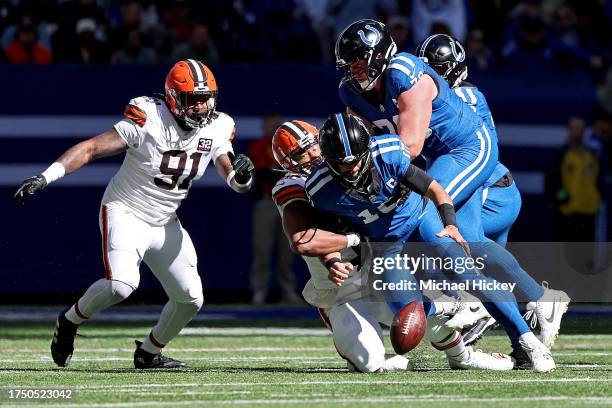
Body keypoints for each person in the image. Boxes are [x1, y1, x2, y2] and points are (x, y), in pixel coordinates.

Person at [14, 59, 254, 369]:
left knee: (191, 299)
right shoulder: (149, 117)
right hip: (126, 210)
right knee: (121, 284)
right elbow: (91, 148)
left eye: (206, 97)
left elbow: (234, 179)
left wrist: (243, 178)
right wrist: (46, 176)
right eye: (193, 99)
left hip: (165, 220)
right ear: (172, 98)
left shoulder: (219, 125)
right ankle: (69, 320)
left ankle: (149, 353)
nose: (201, 106)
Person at [306, 112, 556, 373]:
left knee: (467, 274)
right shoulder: (320, 189)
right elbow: (329, 234)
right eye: (343, 165)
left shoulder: (388, 152)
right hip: (383, 245)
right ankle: (451, 305)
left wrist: (450, 223)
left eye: (356, 161)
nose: (352, 169)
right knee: (408, 316)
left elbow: (434, 188)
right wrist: (333, 260)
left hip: (420, 220)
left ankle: (528, 343)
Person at [417, 33, 571, 364]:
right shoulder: (428, 99)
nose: (431, 80)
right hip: (475, 188)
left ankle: (538, 296)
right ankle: (519, 341)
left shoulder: (465, 95)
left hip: (490, 190)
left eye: (437, 72)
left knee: (459, 242)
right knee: (483, 270)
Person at [249, 113, 299, 305]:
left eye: (275, 126)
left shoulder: (290, 145)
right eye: (268, 126)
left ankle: (288, 290)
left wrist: (278, 173)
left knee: (288, 250)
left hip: (289, 204)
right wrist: (281, 174)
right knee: (262, 249)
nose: (272, 130)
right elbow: (264, 175)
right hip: (267, 201)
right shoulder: (258, 146)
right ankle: (259, 291)